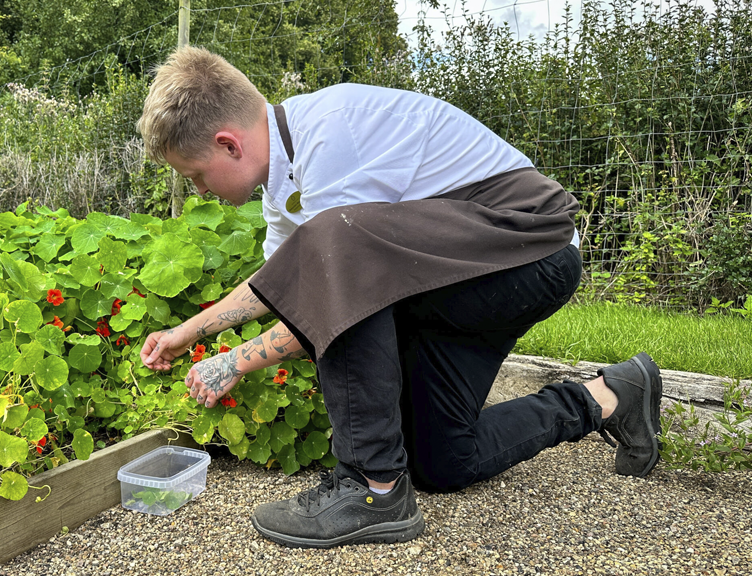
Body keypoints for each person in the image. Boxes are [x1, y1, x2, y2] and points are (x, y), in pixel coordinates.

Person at [137, 46, 663, 549]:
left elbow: (337, 288)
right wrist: (189, 333)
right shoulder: (283, 183)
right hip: (466, 272)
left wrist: (234, 361)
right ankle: (609, 396)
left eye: (196, 175)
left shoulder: (331, 133)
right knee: (443, 462)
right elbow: (282, 282)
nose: (200, 190)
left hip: (531, 252)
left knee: (336, 254)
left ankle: (374, 488)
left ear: (230, 145)